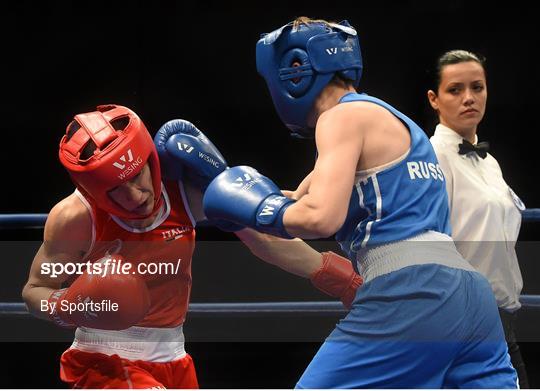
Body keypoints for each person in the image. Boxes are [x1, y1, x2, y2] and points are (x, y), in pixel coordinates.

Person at [201, 17, 518, 388]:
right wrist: (227, 192)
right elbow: (295, 205)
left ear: (294, 72)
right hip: (472, 299)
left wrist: (257, 208)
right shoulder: (392, 120)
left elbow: (319, 218)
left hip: (413, 293)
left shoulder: (339, 117)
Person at [22, 104, 361, 389]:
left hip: (173, 357)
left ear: (149, 157)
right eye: (115, 190)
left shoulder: (184, 191)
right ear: (92, 190)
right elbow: (35, 290)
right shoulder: (75, 218)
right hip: (102, 360)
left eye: (137, 175)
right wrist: (67, 305)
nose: (136, 194)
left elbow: (264, 238)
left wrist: (341, 280)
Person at [427, 49, 528, 388]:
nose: (468, 98)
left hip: (500, 315)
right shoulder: (432, 158)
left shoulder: (490, 163)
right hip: (460, 319)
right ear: (434, 99)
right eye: (455, 89)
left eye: (477, 87)